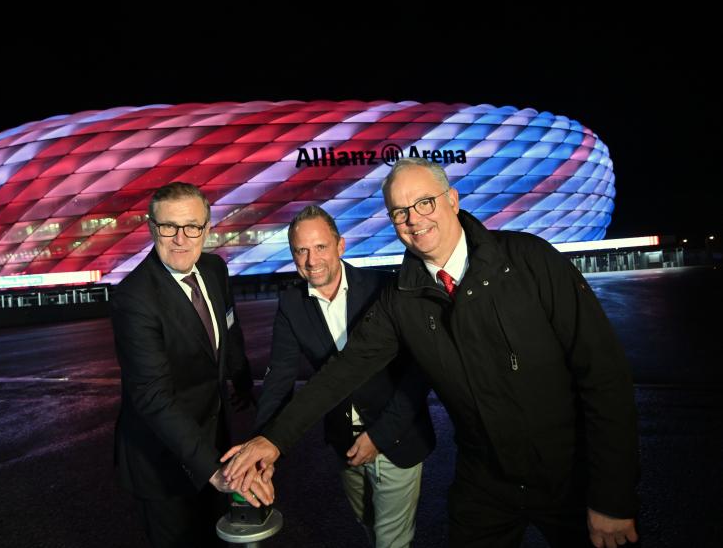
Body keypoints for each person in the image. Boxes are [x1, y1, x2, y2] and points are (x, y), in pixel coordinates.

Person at [223, 158, 640, 548]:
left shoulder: (530, 261)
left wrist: (613, 497)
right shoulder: (401, 297)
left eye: (424, 202)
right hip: (485, 483)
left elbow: (604, 378)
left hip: (570, 476)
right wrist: (272, 440)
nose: (413, 219)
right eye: (399, 212)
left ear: (452, 200)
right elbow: (344, 369)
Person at [255, 205, 435, 547]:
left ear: (340, 245)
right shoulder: (292, 303)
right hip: (344, 443)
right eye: (301, 250)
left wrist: (380, 436)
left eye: (320, 247)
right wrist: (263, 446)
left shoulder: (384, 288)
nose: (311, 260)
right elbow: (278, 380)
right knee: (366, 523)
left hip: (395, 437)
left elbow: (417, 370)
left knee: (391, 540)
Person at [112, 182, 273, 547]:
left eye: (192, 227)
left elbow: (229, 329)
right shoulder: (135, 298)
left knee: (216, 536)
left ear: (207, 227)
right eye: (169, 226)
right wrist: (213, 470)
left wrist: (241, 379)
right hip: (161, 459)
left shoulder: (215, 269)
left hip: (211, 437)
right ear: (152, 228)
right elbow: (153, 399)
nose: (181, 239)